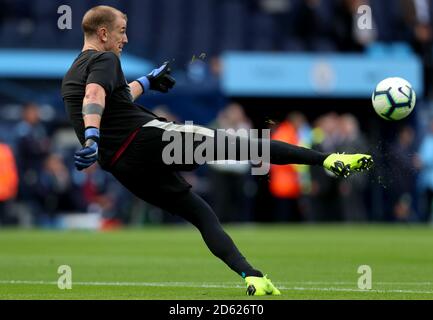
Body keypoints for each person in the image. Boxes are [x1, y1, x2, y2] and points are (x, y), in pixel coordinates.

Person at [61, 5, 373, 296]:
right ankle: (329, 160)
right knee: (245, 146)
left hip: (122, 165)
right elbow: (96, 94)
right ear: (103, 34)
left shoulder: (72, 73)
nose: (125, 38)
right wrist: (91, 137)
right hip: (150, 139)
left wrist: (147, 80)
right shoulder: (105, 59)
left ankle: (252, 276)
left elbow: (117, 97)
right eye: (121, 31)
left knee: (199, 213)